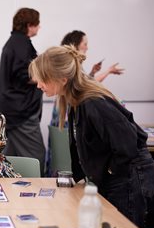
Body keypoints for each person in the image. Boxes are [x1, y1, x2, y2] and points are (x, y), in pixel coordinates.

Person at [29, 45, 154, 228]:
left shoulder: (93, 103)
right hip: (118, 176)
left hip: (129, 177)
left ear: (62, 79)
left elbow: (127, 144)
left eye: (42, 79)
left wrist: (108, 172)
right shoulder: (74, 101)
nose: (38, 84)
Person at [46, 30, 125, 176]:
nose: (87, 47)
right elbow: (86, 85)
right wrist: (107, 71)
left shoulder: (89, 101)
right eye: (85, 44)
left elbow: (84, 84)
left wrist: (93, 72)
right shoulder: (70, 70)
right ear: (76, 44)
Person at [0, 7, 46, 176]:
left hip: (9, 106)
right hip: (20, 110)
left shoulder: (13, 43)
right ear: (30, 25)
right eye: (37, 24)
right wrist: (45, 74)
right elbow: (24, 74)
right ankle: (38, 196)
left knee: (11, 157)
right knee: (36, 158)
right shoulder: (21, 44)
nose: (39, 27)